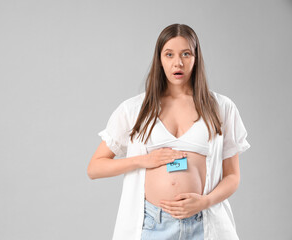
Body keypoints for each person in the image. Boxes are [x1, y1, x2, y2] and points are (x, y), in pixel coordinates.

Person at [87, 23, 251, 240]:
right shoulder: (135, 109)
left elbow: (232, 176)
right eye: (169, 54)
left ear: (196, 58)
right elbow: (94, 168)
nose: (178, 63)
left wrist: (205, 202)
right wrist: (141, 160)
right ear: (159, 59)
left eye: (186, 54)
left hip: (203, 224)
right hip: (153, 226)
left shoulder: (221, 108)